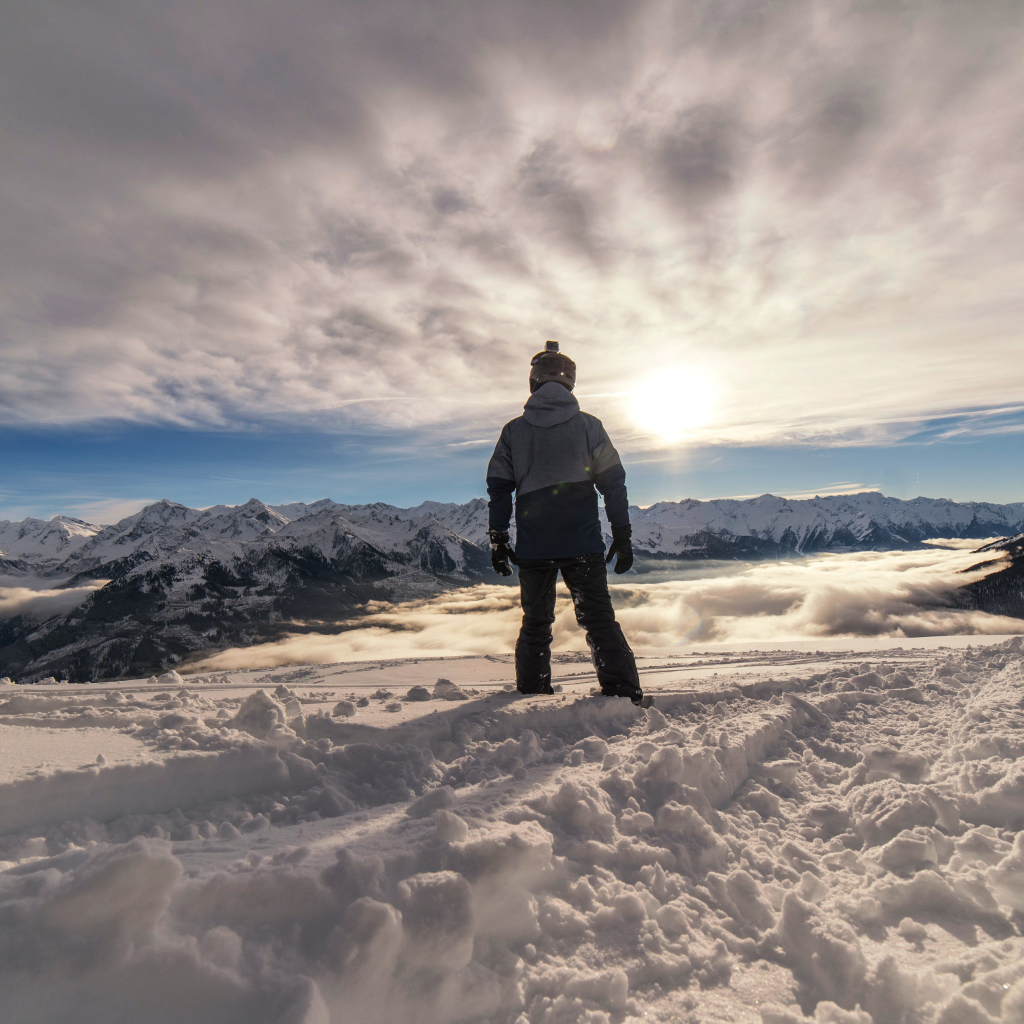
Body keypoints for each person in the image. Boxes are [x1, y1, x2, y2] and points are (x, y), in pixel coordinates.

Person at [485, 341, 644, 705]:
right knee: (599, 621)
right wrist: (622, 534)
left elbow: (498, 489)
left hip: (534, 548)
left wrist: (498, 539)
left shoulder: (514, 432)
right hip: (583, 545)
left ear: (533, 382)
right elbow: (613, 484)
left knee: (536, 624)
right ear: (570, 382)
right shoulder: (590, 427)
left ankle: (532, 696)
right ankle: (623, 695)